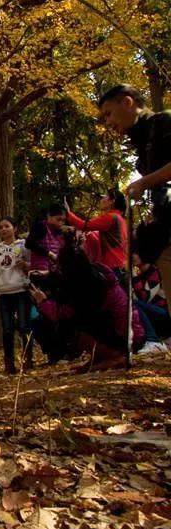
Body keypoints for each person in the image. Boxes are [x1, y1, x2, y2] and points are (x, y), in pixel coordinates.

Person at [99, 85, 171, 300]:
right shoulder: (143, 145)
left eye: (109, 113)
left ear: (127, 102)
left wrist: (143, 183)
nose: (108, 122)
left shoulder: (164, 122)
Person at [28, 238, 144, 371]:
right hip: (130, 333)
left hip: (124, 337)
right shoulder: (94, 272)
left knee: (70, 323)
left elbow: (61, 314)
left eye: (60, 266)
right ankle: (101, 356)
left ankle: (114, 356)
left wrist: (43, 301)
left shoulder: (85, 288)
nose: (58, 269)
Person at [0, 216, 34, 373]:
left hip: (21, 289)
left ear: (14, 229)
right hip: (4, 292)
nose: (3, 229)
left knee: (23, 326)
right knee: (7, 329)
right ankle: (9, 364)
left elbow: (32, 266)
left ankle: (28, 359)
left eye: (7, 226)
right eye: (0, 227)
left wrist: (26, 265)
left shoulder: (23, 245)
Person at [64, 189, 129, 272]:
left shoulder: (110, 217)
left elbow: (84, 225)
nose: (101, 199)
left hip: (113, 264)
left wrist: (68, 212)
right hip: (121, 263)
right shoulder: (121, 219)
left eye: (106, 196)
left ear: (112, 201)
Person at [131, 252, 171, 352]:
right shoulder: (141, 274)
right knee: (132, 304)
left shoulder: (156, 272)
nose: (132, 256)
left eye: (136, 253)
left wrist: (133, 275)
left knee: (133, 303)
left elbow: (144, 297)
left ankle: (153, 340)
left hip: (165, 314)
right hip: (155, 313)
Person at [26, 204, 68, 275]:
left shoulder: (60, 232)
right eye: (58, 219)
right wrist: (50, 254)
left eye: (63, 220)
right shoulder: (41, 226)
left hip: (54, 271)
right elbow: (29, 243)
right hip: (40, 271)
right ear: (49, 216)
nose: (61, 223)